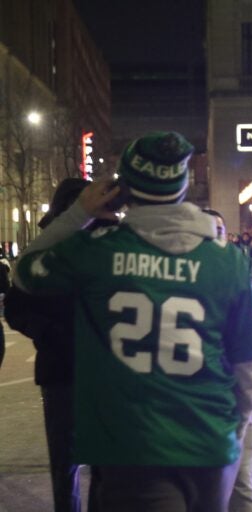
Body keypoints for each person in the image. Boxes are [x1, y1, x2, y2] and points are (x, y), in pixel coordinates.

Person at [13, 131, 252, 511]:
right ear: (184, 185)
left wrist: (78, 214)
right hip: (210, 447)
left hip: (133, 447)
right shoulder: (227, 261)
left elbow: (23, 272)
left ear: (125, 188)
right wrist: (232, 430)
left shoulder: (97, 253)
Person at [4, 178, 99, 512]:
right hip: (61, 367)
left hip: (99, 368)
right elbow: (15, 308)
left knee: (101, 461)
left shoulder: (107, 244)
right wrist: (48, 332)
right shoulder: (46, 249)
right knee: (65, 461)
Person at [202, 209, 252, 512]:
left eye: (220, 230)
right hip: (195, 410)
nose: (214, 236)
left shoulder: (247, 283)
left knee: (239, 487)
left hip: (237, 410)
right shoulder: (188, 282)